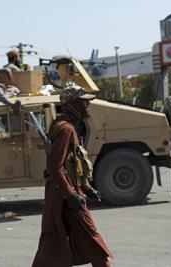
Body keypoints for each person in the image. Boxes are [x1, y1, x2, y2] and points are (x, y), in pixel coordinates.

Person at [32, 86, 113, 267]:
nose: (87, 106)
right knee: (89, 238)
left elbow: (71, 165)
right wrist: (71, 195)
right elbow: (55, 167)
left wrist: (86, 188)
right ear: (73, 104)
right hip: (65, 193)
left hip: (61, 192)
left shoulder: (61, 125)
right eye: (84, 102)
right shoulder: (66, 129)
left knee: (58, 241)